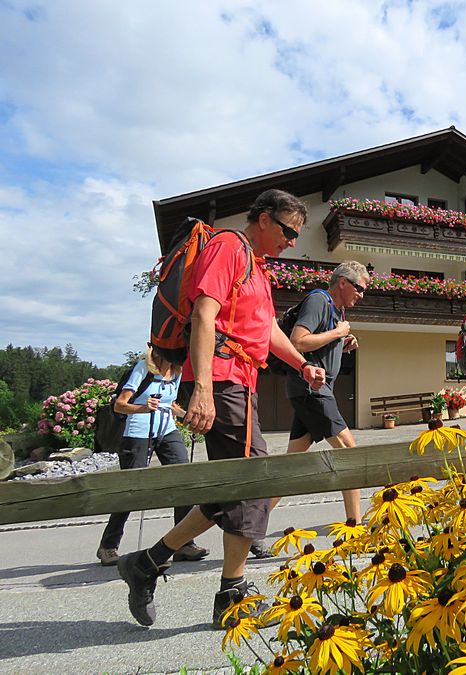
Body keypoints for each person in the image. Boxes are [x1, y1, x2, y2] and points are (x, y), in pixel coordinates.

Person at [117, 189, 326, 628]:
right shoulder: (228, 247)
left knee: (234, 485)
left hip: (242, 380)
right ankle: (228, 594)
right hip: (225, 377)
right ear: (264, 218)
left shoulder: (257, 266)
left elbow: (266, 329)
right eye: (289, 231)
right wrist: (204, 389)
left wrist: (303, 364)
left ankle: (149, 564)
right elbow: (204, 316)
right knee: (251, 478)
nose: (292, 241)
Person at [96, 347, 209, 567]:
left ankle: (184, 543)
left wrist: (187, 417)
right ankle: (108, 546)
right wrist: (142, 408)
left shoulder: (176, 371)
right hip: (137, 432)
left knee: (184, 480)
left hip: (165, 430)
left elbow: (169, 404)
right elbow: (120, 405)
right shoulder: (143, 369)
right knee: (131, 490)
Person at [274, 260, 368, 523]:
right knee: (349, 452)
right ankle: (355, 525)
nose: (361, 295)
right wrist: (337, 332)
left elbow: (319, 343)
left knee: (290, 465)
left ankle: (251, 527)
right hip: (312, 390)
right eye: (359, 289)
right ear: (343, 283)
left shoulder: (337, 312)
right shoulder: (319, 300)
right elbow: (298, 341)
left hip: (314, 391)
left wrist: (342, 342)